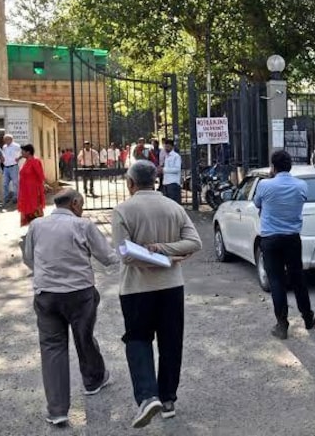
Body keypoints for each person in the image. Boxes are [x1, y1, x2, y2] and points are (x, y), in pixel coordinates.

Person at [112, 160, 202, 428]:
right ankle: (168, 398)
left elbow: (124, 254)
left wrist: (155, 251)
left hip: (136, 289)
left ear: (130, 183)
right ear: (155, 180)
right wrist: (167, 255)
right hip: (171, 286)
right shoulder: (173, 207)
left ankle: (148, 395)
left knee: (138, 339)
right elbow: (194, 242)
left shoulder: (123, 210)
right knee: (171, 341)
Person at [22, 188, 121, 426]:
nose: (83, 208)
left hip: (46, 295)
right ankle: (93, 381)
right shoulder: (83, 225)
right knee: (84, 337)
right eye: (82, 204)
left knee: (52, 347)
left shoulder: (36, 225)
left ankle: (57, 410)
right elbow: (108, 258)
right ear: (75, 203)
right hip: (80, 294)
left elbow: (29, 257)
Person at [254, 150, 315, 340]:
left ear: (273, 167)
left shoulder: (264, 185)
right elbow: (302, 200)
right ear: (290, 166)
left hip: (270, 239)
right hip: (292, 238)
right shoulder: (301, 186)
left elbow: (257, 203)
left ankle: (282, 325)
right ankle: (308, 318)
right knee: (298, 279)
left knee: (276, 281)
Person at [18, 144, 46, 226]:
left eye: (22, 152)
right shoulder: (26, 161)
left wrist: (43, 186)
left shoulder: (35, 161)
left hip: (33, 189)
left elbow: (40, 175)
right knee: (27, 206)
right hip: (25, 190)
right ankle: (31, 225)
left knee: (34, 206)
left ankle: (37, 225)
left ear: (28, 152)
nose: (21, 153)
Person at [2, 134, 22, 205]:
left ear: (11, 139)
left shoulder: (16, 146)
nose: (5, 141)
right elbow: (3, 155)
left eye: (6, 139)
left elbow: (22, 153)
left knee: (15, 183)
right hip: (6, 167)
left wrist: (19, 158)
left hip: (13, 167)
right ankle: (6, 198)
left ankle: (15, 198)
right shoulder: (4, 147)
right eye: (4, 139)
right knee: (4, 184)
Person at [160, 139, 182, 203]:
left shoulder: (176, 156)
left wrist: (164, 169)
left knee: (174, 203)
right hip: (166, 183)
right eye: (165, 147)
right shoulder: (166, 156)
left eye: (168, 147)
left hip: (173, 183)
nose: (166, 148)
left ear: (172, 147)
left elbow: (177, 169)